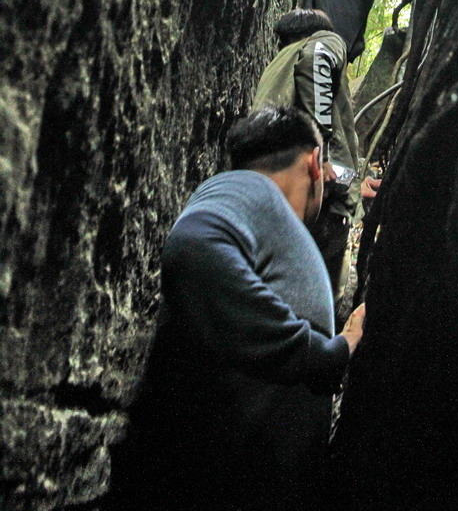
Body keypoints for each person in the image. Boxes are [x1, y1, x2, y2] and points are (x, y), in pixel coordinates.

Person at [105, 106, 365, 511]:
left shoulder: (255, 204)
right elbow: (194, 246)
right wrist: (328, 353)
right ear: (315, 162)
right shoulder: (246, 189)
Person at [252, 9, 368, 310]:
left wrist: (355, 180)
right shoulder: (324, 41)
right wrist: (323, 155)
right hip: (316, 193)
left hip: (272, 190)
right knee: (320, 302)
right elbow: (318, 59)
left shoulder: (279, 64)